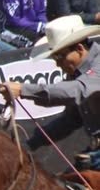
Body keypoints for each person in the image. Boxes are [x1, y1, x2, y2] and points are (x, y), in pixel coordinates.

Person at [6, 15, 100, 170]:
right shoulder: (77, 74)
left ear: (79, 49)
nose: (57, 64)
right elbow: (70, 120)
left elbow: (80, 90)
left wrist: (24, 89)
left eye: (60, 56)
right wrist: (29, 144)